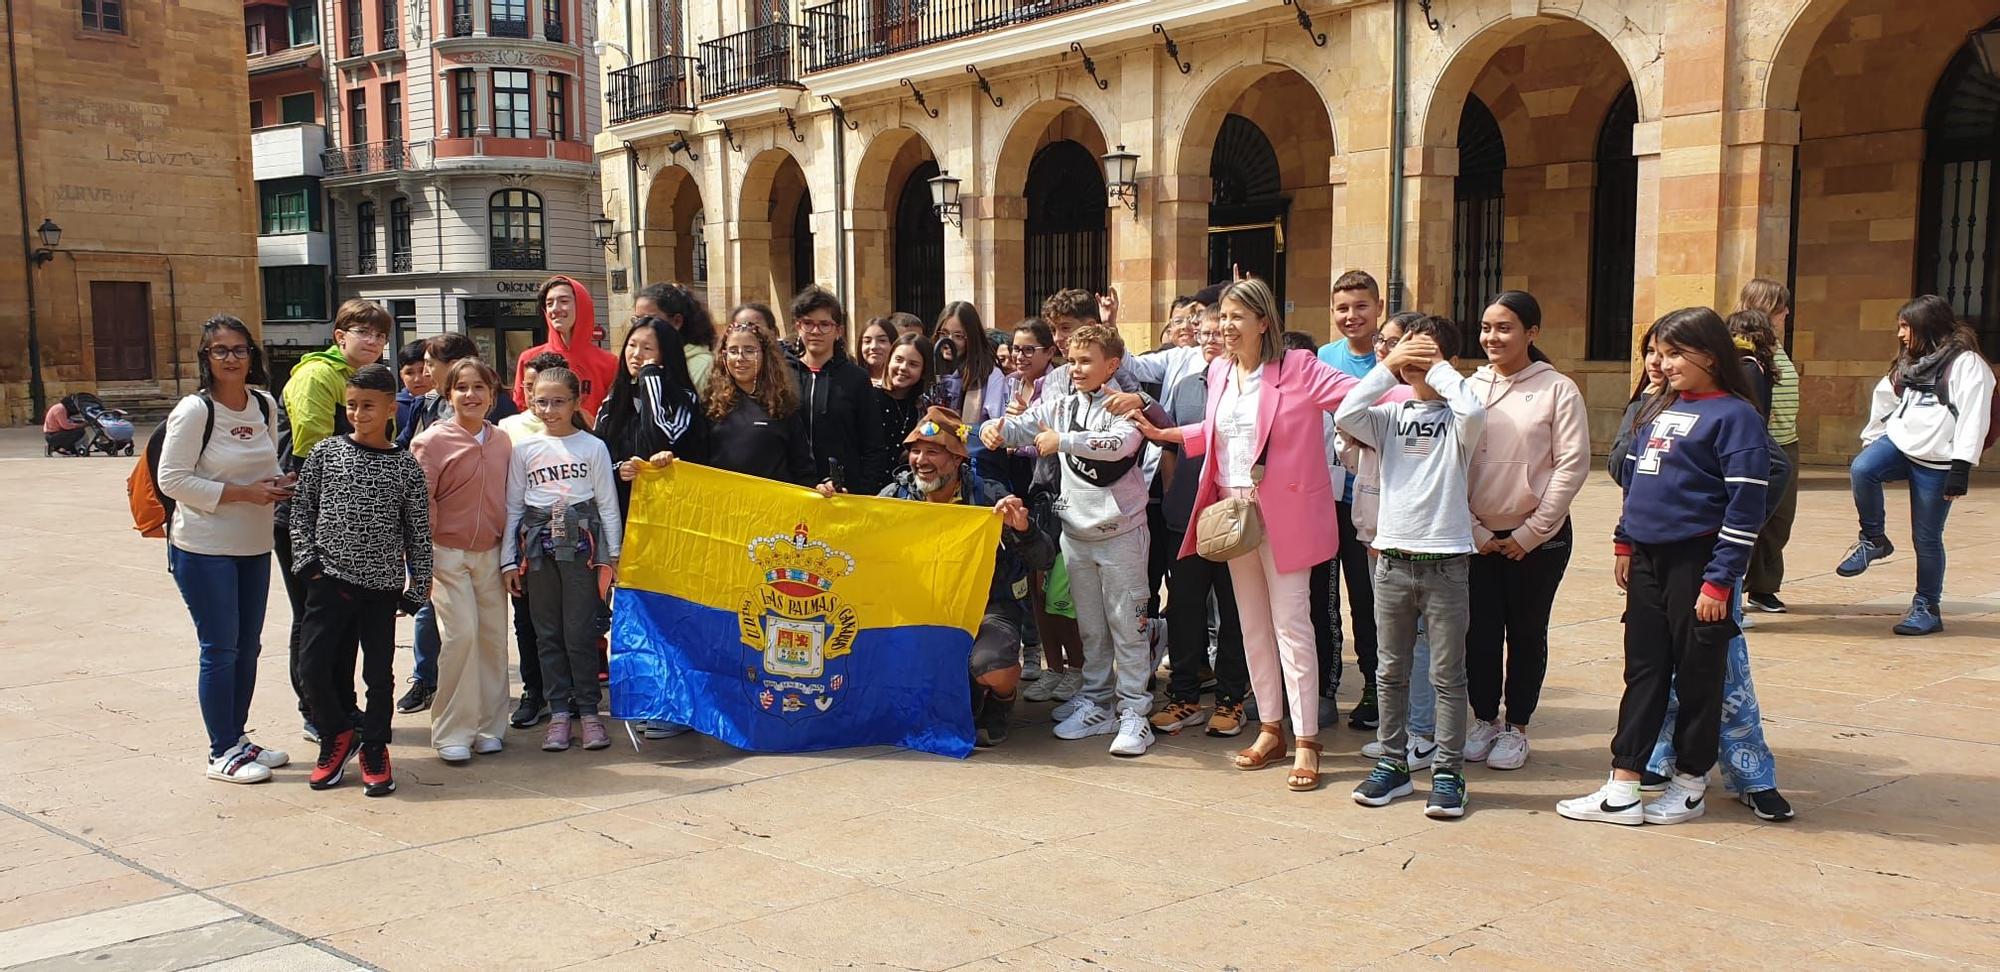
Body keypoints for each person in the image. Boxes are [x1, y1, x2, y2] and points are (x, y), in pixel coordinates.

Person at [1138, 278, 1359, 792]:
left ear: (1264, 322)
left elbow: (1357, 393)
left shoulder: (1298, 368)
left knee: (1292, 626)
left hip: (1285, 515)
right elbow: (1219, 432)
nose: (1226, 327)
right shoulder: (1217, 370)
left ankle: (1307, 741)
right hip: (1232, 514)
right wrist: (1166, 433)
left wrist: (1411, 378)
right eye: (1222, 318)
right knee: (1252, 624)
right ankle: (1270, 730)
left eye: (1238, 317)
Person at [1559, 307, 1769, 826]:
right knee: (1645, 669)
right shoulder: (1660, 407)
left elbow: (1745, 506)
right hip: (1649, 559)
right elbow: (1636, 481)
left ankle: (1691, 782)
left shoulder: (1736, 417)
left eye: (1676, 353)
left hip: (1698, 562)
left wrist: (1720, 581)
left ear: (1711, 355)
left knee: (1698, 675)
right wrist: (1625, 541)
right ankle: (1623, 784)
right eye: (1660, 352)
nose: (1664, 363)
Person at [982, 323, 1153, 757]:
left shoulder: (1126, 405)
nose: (1075, 368)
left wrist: (1066, 441)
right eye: (1072, 360)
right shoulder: (1061, 403)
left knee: (1127, 628)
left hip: (1122, 533)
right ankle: (1097, 702)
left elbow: (1119, 445)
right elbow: (1026, 426)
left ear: (1111, 364)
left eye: (1085, 361)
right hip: (1077, 533)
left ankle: (1136, 711)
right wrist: (997, 427)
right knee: (1091, 628)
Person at [1337, 316, 1484, 818]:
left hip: (1445, 561)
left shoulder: (1461, 420)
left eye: (1424, 355)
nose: (1414, 363)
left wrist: (1438, 367)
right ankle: (1393, 764)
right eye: (1407, 353)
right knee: (1389, 670)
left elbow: (1472, 406)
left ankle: (1449, 772)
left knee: (1447, 674)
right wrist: (1388, 365)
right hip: (1393, 559)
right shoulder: (1389, 419)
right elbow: (1346, 412)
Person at [872, 407, 1054, 748]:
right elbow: (859, 540)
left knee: (992, 665)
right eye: (915, 450)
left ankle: (1000, 700)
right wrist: (832, 505)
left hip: (988, 607)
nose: (921, 460)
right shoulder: (895, 496)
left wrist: (1023, 529)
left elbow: (1044, 557)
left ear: (957, 459)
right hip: (921, 609)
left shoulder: (989, 497)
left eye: (933, 452)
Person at [291, 363, 432, 797]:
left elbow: (418, 530)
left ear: (391, 408)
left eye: (368, 406)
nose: (358, 414)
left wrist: (418, 585)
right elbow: (302, 510)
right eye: (351, 406)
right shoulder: (326, 453)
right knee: (312, 667)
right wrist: (308, 563)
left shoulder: (406, 467)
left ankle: (374, 744)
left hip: (381, 589)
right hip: (329, 581)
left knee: (378, 674)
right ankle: (338, 733)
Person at [1462, 291, 1590, 771]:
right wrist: (1474, 529)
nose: (1492, 337)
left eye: (1505, 327)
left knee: (1527, 632)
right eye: (1486, 327)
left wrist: (1531, 533)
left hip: (1539, 540)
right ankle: (1483, 719)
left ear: (1531, 333)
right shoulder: (1467, 388)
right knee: (1479, 633)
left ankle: (1517, 726)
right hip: (1476, 537)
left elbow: (1571, 465)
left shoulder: (1558, 389)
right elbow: (1450, 463)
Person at [159, 315, 290, 783]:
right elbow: (171, 480)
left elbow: (266, 462)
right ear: (206, 357)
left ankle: (236, 737)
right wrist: (241, 494)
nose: (231, 359)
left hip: (254, 543)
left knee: (247, 647)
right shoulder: (195, 410)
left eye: (239, 349)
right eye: (221, 351)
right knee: (219, 649)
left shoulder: (264, 404)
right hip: (204, 547)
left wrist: (278, 484)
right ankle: (220, 752)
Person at [1836, 294, 1992, 635]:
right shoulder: (1911, 361)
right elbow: (1885, 395)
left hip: (1938, 461)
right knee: (1863, 469)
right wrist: (1872, 438)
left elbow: (1974, 416)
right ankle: (1873, 539)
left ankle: (1927, 606)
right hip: (1900, 444)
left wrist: (1961, 467)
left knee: (1926, 538)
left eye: (1905, 326)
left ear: (1927, 325)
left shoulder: (1967, 365)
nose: (1900, 334)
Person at [281, 299, 391, 742]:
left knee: (342, 620)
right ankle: (316, 709)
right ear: (339, 336)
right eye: (363, 331)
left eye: (380, 335)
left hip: (349, 518)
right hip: (311, 514)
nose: (374, 341)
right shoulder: (318, 375)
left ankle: (343, 707)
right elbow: (312, 446)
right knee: (313, 619)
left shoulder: (359, 379)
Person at [503, 366, 623, 752]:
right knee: (546, 631)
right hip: (537, 548)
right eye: (542, 401)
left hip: (583, 548)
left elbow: (607, 503)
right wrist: (508, 559)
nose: (550, 409)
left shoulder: (593, 447)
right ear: (531, 401)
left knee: (581, 631)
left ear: (576, 401)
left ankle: (588, 711)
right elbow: (513, 505)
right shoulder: (523, 449)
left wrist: (614, 555)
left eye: (559, 401)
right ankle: (557, 712)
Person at [1149, 308, 1252, 738]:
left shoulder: (1247, 386)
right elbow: (1170, 446)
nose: (1211, 338)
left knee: (1233, 612)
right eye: (1203, 332)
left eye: (1218, 331)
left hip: (1233, 519)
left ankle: (1231, 700)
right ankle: (1184, 697)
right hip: (1186, 519)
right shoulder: (1187, 386)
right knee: (1185, 610)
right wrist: (1176, 497)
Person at [411, 357, 512, 764]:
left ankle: (489, 726)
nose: (471, 395)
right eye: (462, 388)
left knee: (492, 640)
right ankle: (452, 730)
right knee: (460, 637)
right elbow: (420, 503)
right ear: (448, 394)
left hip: (490, 552)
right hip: (446, 554)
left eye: (479, 388)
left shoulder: (503, 440)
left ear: (492, 394)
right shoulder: (431, 442)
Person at [1345, 313, 1435, 769]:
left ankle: (1422, 732)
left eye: (1398, 344)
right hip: (1374, 534)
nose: (1386, 349)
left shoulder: (1410, 399)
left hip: (1408, 540)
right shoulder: (1384, 399)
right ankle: (1400, 732)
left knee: (1415, 643)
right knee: (1392, 645)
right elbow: (1349, 441)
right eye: (1384, 341)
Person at [1315, 270, 1387, 730]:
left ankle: (1375, 689)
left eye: (1361, 306)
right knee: (1322, 601)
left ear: (1378, 307)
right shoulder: (1324, 357)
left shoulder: (1393, 356)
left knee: (1369, 600)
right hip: (1327, 497)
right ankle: (1324, 686)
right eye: (1342, 308)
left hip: (1375, 501)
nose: (1351, 316)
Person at [1007, 319, 1085, 705]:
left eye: (1069, 331)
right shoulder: (1048, 387)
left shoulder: (1098, 384)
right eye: (1059, 332)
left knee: (1065, 595)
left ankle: (1079, 671)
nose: (1064, 340)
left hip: (1077, 500)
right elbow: (1023, 430)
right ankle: (1054, 669)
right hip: (1040, 492)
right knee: (1040, 589)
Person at [497, 350, 566, 728]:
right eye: (531, 388)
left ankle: (569, 692)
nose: (544, 405)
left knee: (569, 621)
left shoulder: (581, 429)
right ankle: (533, 691)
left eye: (553, 396)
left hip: (573, 543)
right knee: (526, 621)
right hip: (528, 541)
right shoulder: (508, 428)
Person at [599, 317, 711, 515]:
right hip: (623, 510)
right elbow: (598, 452)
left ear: (665, 355)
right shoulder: (614, 399)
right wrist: (619, 468)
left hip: (671, 510)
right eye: (631, 345)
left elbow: (662, 440)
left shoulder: (683, 399)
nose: (636, 354)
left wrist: (650, 378)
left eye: (647, 349)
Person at [786, 286, 888, 495]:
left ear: (838, 331)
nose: (815, 331)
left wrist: (861, 490)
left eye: (824, 324)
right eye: (808, 323)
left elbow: (873, 445)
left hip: (844, 495)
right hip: (792, 490)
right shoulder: (783, 375)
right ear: (798, 326)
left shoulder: (856, 379)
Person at [1738, 279, 1801, 614]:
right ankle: (1734, 584)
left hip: (1787, 440)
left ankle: (1763, 587)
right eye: (1780, 307)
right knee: (1751, 517)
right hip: (1763, 444)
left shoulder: (1776, 344)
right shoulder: (1745, 346)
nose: (1786, 313)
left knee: (1779, 520)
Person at [698, 318, 817, 486]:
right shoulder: (709, 406)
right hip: (725, 507)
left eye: (749, 350)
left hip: (773, 508)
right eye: (733, 350)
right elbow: (693, 462)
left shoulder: (782, 406)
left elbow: (803, 469)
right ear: (723, 356)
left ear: (764, 355)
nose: (740, 358)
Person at [510, 275, 618, 421]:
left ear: (581, 305)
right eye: (549, 303)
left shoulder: (608, 362)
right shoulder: (529, 358)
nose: (555, 309)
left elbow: (614, 413)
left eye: (564, 301)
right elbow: (521, 407)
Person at [870, 332, 934, 487]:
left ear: (923, 370)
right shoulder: (869, 397)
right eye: (898, 360)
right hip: (867, 489)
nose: (903, 368)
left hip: (907, 492)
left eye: (913, 364)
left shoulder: (924, 407)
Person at [632, 282, 719, 393]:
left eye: (650, 319)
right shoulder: (637, 358)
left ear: (677, 321)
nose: (641, 326)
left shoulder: (704, 366)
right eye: (636, 320)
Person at [395, 339, 433, 436]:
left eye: (422, 370)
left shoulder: (447, 405)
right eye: (409, 373)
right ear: (401, 375)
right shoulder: (393, 408)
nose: (417, 379)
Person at [859, 316, 898, 387]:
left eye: (882, 340)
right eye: (867, 341)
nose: (874, 347)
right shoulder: (852, 380)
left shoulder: (901, 382)